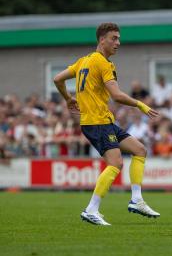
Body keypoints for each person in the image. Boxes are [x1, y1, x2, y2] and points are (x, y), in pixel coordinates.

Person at [53, 22, 160, 225]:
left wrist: (68, 98)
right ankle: (91, 209)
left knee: (139, 150)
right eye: (114, 38)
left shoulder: (83, 61)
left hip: (103, 121)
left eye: (119, 38)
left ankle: (136, 200)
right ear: (102, 40)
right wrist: (141, 105)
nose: (118, 43)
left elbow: (57, 79)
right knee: (116, 163)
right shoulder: (103, 63)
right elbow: (117, 96)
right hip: (97, 122)